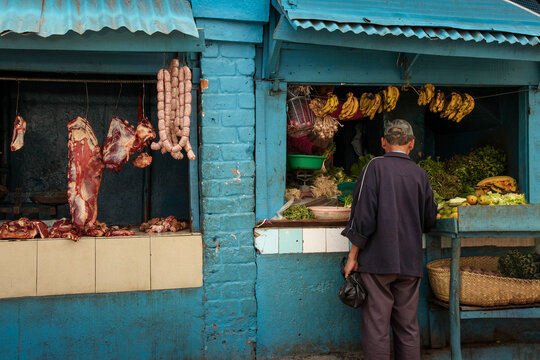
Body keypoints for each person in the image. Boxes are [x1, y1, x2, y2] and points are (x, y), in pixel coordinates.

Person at [342, 119, 438, 360]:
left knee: (377, 328)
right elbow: (430, 219)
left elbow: (363, 218)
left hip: (377, 262)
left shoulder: (374, 167)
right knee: (408, 327)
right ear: (412, 143)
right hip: (410, 264)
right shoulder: (420, 174)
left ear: (383, 142)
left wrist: (353, 256)